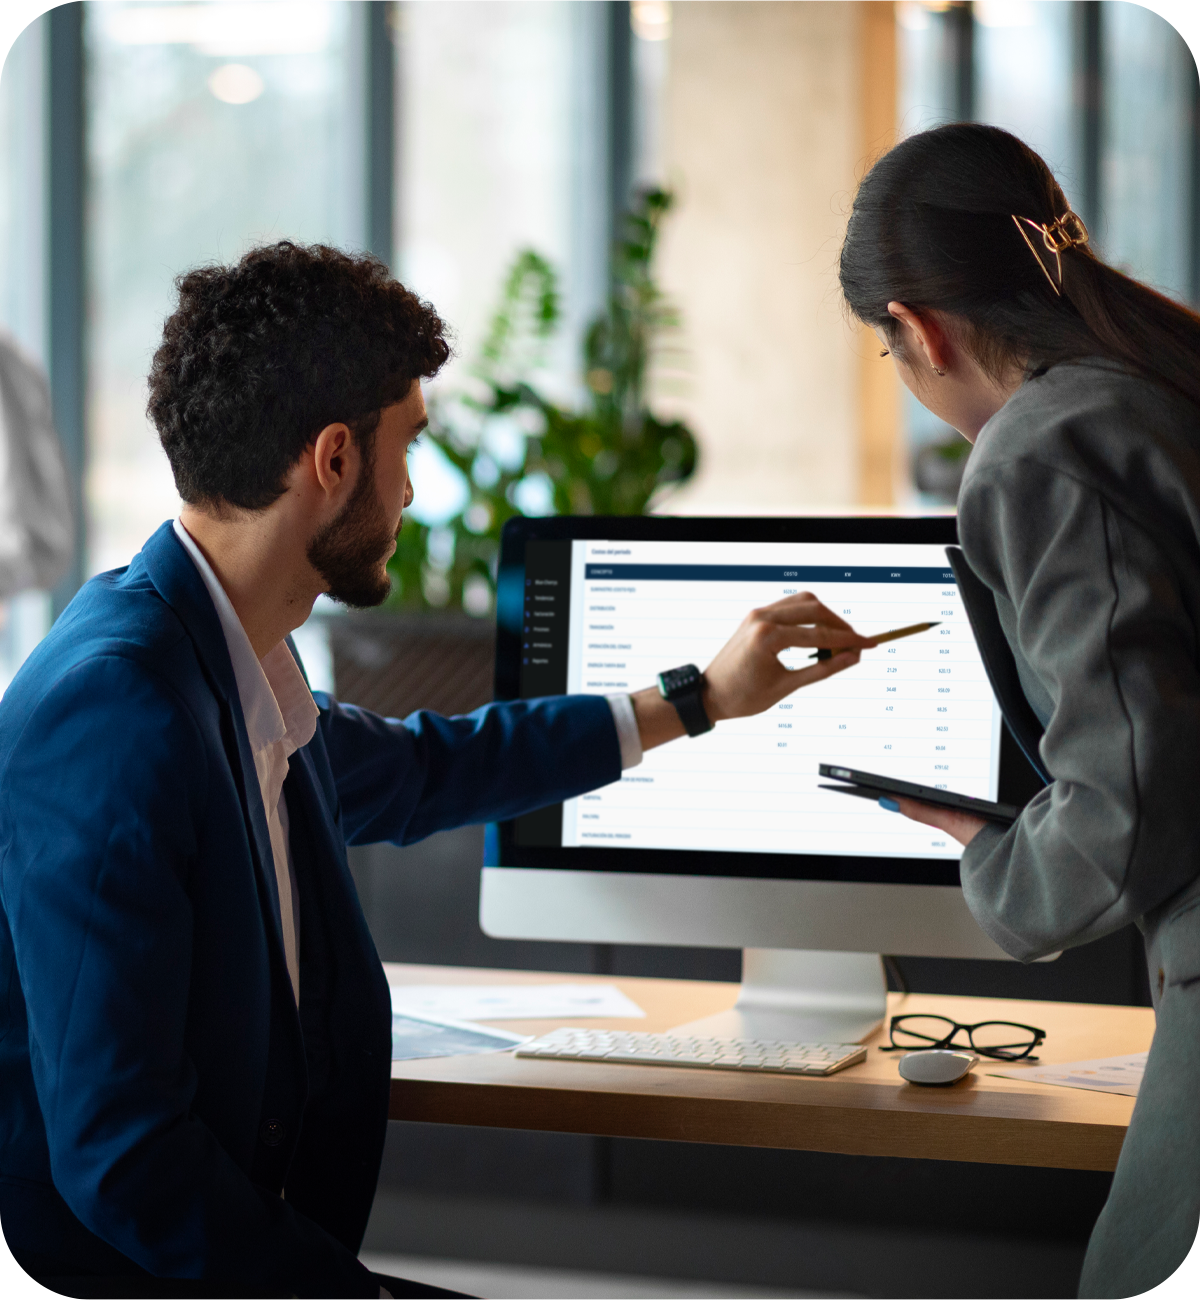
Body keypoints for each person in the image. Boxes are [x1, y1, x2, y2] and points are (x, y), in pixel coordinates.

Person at [0, 242, 872, 1300]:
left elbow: (426, 768)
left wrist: (699, 699)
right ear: (332, 461)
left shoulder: (224, 665)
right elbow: (121, 1156)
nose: (412, 490)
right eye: (405, 447)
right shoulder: (119, 707)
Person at [839, 121, 1200, 1298]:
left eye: (887, 352)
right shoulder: (1164, 383)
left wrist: (993, 850)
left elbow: (1131, 792)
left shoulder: (1042, 445)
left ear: (917, 327)